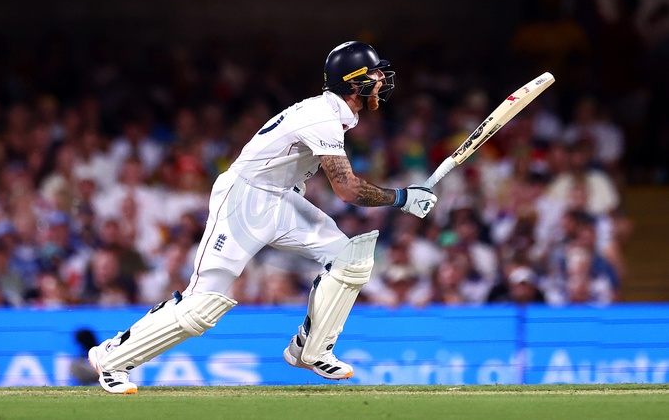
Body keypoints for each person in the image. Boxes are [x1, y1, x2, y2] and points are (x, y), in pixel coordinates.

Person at [87, 41, 438, 394]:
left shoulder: (335, 113)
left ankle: (312, 350)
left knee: (351, 260)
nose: (381, 79)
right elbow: (347, 190)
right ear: (352, 81)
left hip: (278, 198)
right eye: (374, 73)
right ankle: (112, 357)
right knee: (202, 305)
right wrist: (402, 197)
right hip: (243, 201)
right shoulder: (324, 117)